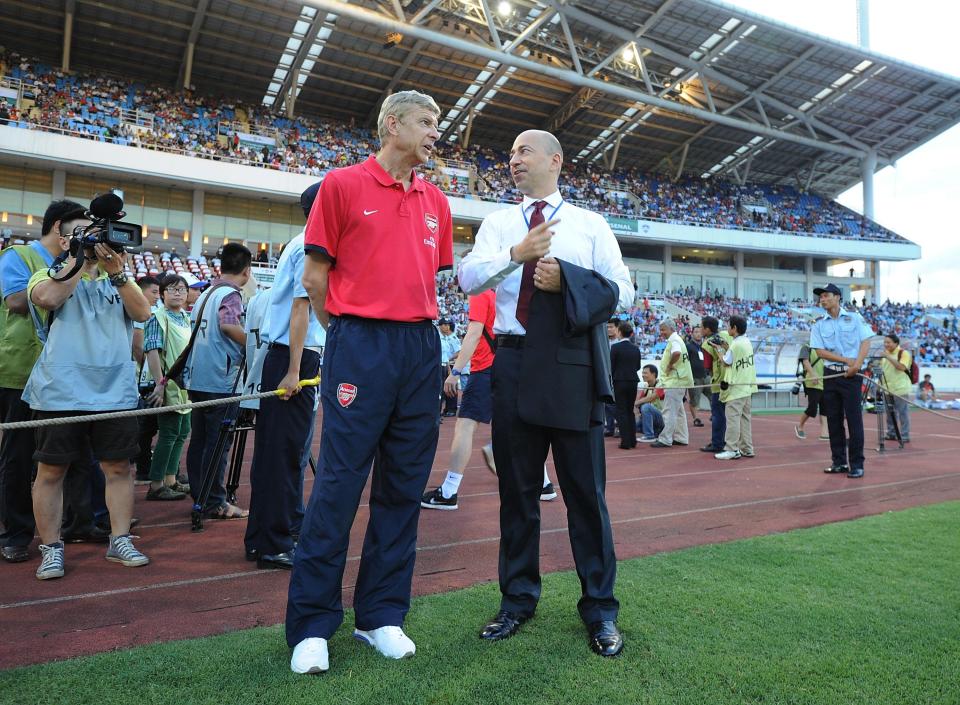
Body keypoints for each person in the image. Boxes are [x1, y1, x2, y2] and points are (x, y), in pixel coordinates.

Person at [287, 90, 453, 674]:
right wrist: (353, 332)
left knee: (403, 488)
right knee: (338, 485)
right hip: (360, 343)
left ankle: (381, 616)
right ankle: (311, 625)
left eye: (438, 123)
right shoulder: (341, 185)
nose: (436, 132)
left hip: (420, 347)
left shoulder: (436, 200)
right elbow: (315, 278)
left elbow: (425, 279)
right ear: (392, 125)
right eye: (427, 122)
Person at [458, 129, 632, 658]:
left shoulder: (590, 224)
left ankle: (600, 608)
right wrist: (517, 254)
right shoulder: (499, 224)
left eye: (523, 151)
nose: (513, 160)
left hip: (573, 364)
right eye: (510, 152)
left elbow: (622, 290)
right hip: (512, 362)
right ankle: (517, 601)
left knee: (585, 495)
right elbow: (467, 278)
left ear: (555, 161)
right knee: (517, 493)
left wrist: (568, 281)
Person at [25, 228, 153, 579]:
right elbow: (48, 299)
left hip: (114, 388)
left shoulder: (120, 279)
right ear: (65, 241)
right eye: (83, 236)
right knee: (51, 471)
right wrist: (79, 261)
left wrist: (117, 272)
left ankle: (120, 539)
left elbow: (143, 313)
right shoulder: (46, 273)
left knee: (118, 467)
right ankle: (51, 548)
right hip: (60, 389)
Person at [245, 183, 325, 570]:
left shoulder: (305, 241)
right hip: (291, 358)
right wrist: (294, 370)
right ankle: (273, 541)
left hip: (292, 356)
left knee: (285, 452)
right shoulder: (309, 244)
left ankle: (280, 530)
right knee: (280, 455)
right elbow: (300, 309)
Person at [0, 200, 83, 563]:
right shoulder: (18, 255)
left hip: (63, 373)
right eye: (80, 228)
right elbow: (17, 301)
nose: (86, 236)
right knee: (17, 455)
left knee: (67, 454)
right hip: (19, 369)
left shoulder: (83, 263)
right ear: (59, 227)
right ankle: (16, 533)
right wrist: (60, 281)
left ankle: (78, 521)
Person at [182, 243, 252, 519]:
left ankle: (201, 495)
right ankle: (214, 501)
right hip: (220, 380)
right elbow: (229, 325)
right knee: (218, 443)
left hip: (198, 377)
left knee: (199, 440)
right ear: (247, 271)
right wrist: (255, 344)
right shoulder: (231, 294)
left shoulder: (205, 293)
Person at [810, 283, 874, 479]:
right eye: (820, 297)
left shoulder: (854, 318)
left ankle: (857, 464)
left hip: (852, 377)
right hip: (832, 375)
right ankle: (839, 462)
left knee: (854, 420)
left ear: (837, 297)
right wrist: (846, 360)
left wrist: (857, 365)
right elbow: (819, 351)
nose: (822, 299)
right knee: (833, 421)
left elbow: (866, 341)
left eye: (826, 295)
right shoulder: (819, 324)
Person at [142, 275, 192, 500]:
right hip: (167, 384)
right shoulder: (158, 318)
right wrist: (159, 384)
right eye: (172, 289)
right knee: (169, 434)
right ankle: (156, 484)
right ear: (162, 294)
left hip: (184, 385)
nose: (178, 293)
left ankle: (171, 479)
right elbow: (153, 352)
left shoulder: (185, 317)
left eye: (181, 289)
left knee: (182, 432)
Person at [713, 315, 757, 460]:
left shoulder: (736, 344)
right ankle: (747, 448)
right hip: (747, 387)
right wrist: (726, 347)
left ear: (734, 328)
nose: (727, 328)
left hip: (736, 388)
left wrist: (719, 350)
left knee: (732, 419)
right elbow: (735, 357)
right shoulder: (746, 342)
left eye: (729, 326)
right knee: (745, 419)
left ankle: (732, 448)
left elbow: (726, 362)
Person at [651, 319, 691, 448]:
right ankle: (682, 437)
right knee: (679, 411)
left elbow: (676, 353)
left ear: (671, 329)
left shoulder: (674, 340)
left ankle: (665, 439)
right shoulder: (677, 339)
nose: (661, 332)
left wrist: (669, 365)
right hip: (680, 380)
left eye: (663, 329)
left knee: (669, 411)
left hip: (675, 381)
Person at [698, 316, 731, 453]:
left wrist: (713, 376)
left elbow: (707, 366)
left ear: (707, 329)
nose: (700, 330)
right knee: (730, 414)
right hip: (731, 379)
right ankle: (729, 441)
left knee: (717, 414)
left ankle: (717, 443)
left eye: (701, 327)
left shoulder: (707, 344)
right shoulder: (725, 335)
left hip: (718, 382)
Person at [609, 321, 641, 449]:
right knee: (630, 411)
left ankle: (625, 442)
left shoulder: (615, 348)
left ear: (620, 332)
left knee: (621, 410)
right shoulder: (636, 348)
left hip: (620, 381)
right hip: (633, 381)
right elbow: (638, 366)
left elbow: (611, 366)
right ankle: (633, 440)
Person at [879, 333, 912, 443]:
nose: (886, 344)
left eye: (888, 342)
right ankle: (891, 433)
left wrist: (887, 357)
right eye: (885, 342)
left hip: (900, 388)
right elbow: (883, 371)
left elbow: (901, 367)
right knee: (889, 413)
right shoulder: (885, 354)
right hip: (887, 388)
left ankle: (905, 435)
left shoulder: (903, 353)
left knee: (903, 413)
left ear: (896, 343)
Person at [795, 342, 828, 441]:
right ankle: (800, 426)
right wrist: (813, 374)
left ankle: (824, 432)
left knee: (825, 408)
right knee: (812, 408)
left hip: (825, 382)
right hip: (812, 382)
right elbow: (805, 361)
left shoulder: (825, 346)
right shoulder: (806, 346)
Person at [636, 364, 665, 441]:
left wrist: (636, 403)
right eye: (642, 373)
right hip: (650, 418)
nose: (643, 375)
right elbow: (639, 403)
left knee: (646, 407)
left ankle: (649, 436)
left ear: (653, 374)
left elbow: (653, 397)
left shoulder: (661, 384)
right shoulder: (646, 386)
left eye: (645, 373)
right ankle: (654, 433)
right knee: (631, 426)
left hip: (662, 418)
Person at [438, 318, 461, 417]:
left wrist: (448, 359)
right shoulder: (443, 337)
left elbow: (458, 352)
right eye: (445, 324)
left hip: (449, 364)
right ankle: (446, 409)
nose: (447, 327)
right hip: (444, 364)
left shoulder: (451, 338)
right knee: (442, 389)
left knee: (451, 388)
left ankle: (451, 409)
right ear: (440, 326)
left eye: (448, 325)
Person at [685, 325, 707, 427]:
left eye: (700, 332)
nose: (698, 334)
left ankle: (715, 415)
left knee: (714, 396)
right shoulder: (688, 346)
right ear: (692, 334)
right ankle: (696, 418)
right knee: (694, 399)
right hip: (694, 377)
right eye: (696, 332)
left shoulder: (704, 346)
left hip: (706, 376)